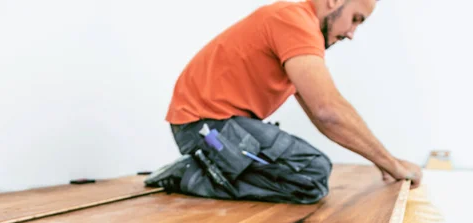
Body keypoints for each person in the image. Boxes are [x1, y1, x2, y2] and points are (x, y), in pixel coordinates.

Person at [145, 0, 422, 204]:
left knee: (308, 172)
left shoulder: (296, 29)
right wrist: (391, 164)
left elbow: (320, 114)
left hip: (215, 128)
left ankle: (208, 168)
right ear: (335, 2)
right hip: (206, 129)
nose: (351, 33)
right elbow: (329, 111)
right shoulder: (293, 21)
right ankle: (191, 174)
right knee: (313, 174)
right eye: (356, 19)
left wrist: (384, 161)